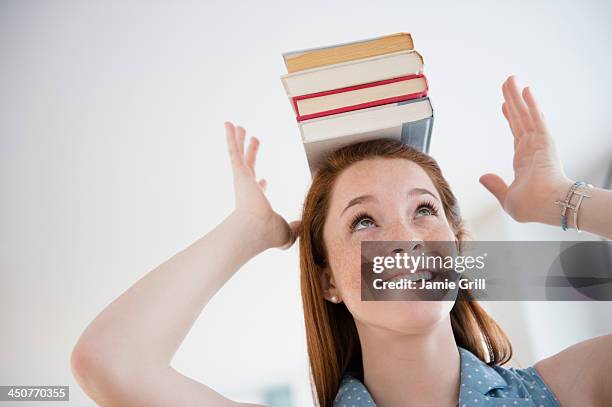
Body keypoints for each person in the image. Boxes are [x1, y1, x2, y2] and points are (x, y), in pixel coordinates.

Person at [70, 76, 612, 407]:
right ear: (327, 279)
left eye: (424, 210)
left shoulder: (568, 389)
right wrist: (248, 232)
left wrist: (564, 200)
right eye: (363, 222)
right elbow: (109, 361)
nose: (405, 241)